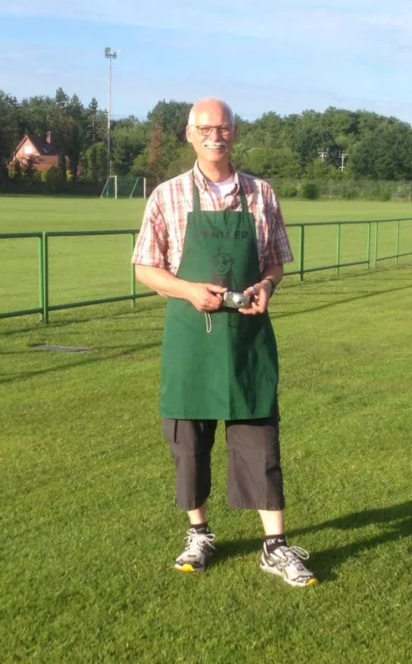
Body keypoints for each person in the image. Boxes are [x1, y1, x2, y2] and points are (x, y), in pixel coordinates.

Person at [132, 97, 316, 587]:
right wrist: (189, 290)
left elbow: (276, 261)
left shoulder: (262, 194)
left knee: (260, 440)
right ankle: (199, 534)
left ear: (235, 132)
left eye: (224, 127)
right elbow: (145, 268)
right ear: (190, 134)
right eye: (206, 128)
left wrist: (267, 285)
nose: (216, 136)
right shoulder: (167, 196)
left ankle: (275, 546)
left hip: (247, 340)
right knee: (188, 444)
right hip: (191, 341)